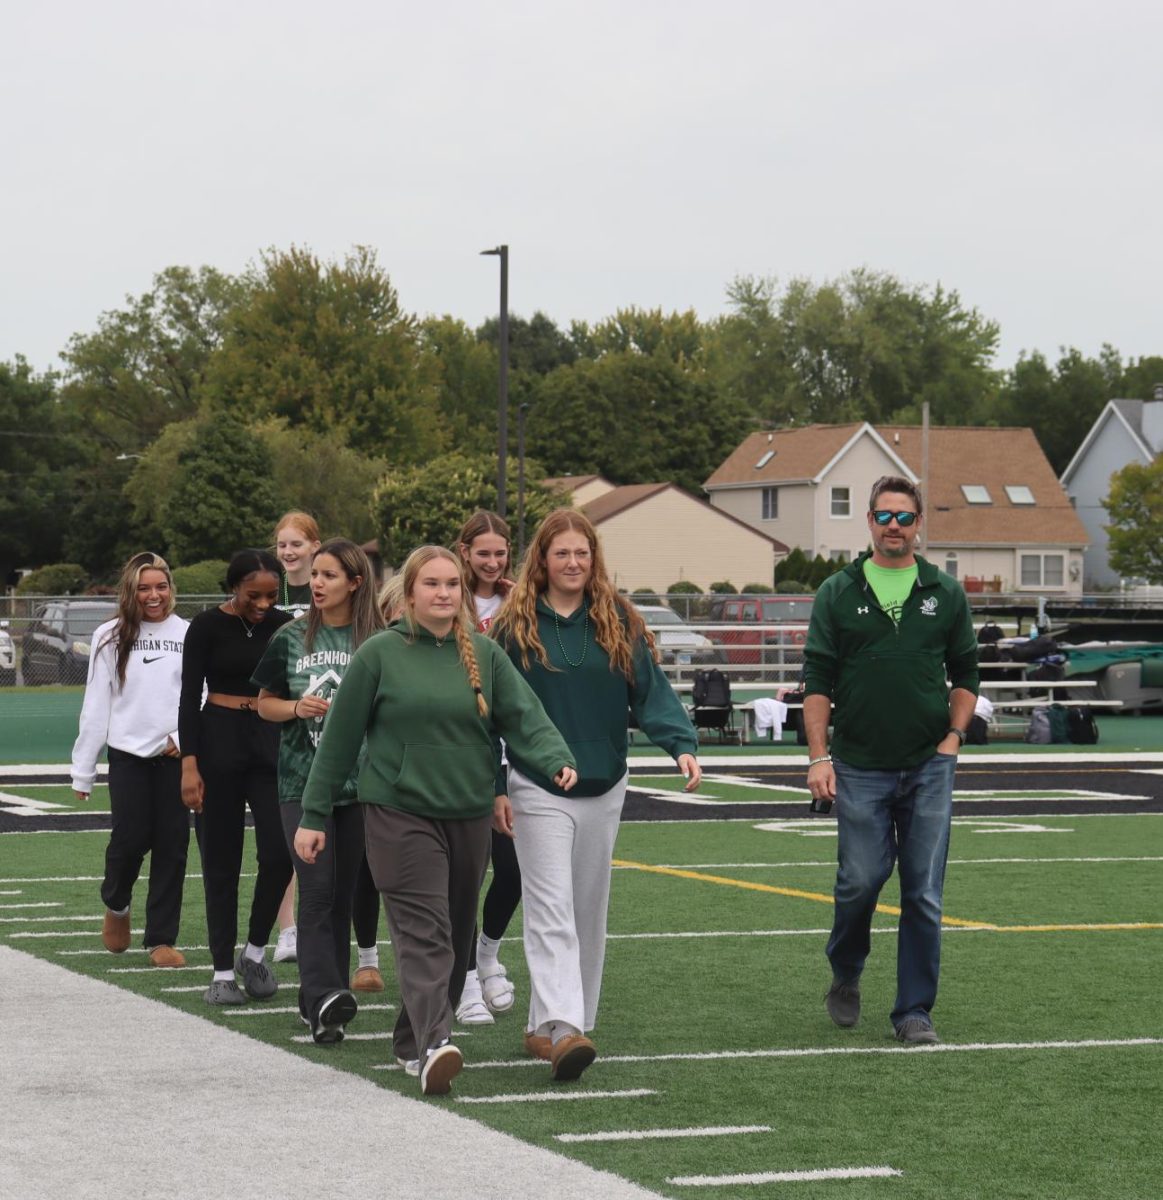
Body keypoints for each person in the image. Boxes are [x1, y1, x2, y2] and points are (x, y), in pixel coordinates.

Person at [295, 546, 577, 1096]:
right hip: (398, 815)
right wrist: (313, 814)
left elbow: (524, 716)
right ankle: (433, 1045)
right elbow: (340, 742)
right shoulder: (378, 654)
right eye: (432, 584)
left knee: (454, 934)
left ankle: (410, 1038)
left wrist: (555, 757)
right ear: (409, 592)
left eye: (452, 584)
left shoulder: (486, 656)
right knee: (425, 933)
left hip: (467, 815)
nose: (444, 593)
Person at [490, 509, 701, 1082]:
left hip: (605, 784)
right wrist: (494, 786)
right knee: (550, 905)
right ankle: (566, 1027)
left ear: (594, 558)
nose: (573, 563)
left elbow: (651, 693)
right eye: (562, 553)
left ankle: (547, 1025)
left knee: (586, 911)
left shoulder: (618, 620)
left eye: (582, 553)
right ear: (543, 560)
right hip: (537, 787)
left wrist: (679, 743)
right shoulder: (512, 628)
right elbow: (489, 711)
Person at [803, 475, 979, 1045]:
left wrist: (954, 736)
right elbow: (817, 681)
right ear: (870, 522)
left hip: (930, 763)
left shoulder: (944, 592)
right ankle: (846, 969)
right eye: (884, 516)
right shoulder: (837, 589)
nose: (894, 526)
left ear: (919, 522)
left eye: (904, 516)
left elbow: (967, 675)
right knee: (859, 881)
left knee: (923, 892)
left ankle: (913, 1012)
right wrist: (818, 757)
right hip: (857, 763)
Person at [253, 539, 384, 1043]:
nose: (319, 583)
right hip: (298, 784)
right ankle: (326, 993)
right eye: (317, 575)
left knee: (342, 896)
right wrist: (295, 709)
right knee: (317, 888)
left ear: (355, 582)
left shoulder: (377, 639)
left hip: (360, 787)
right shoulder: (289, 637)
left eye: (330, 575)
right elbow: (263, 704)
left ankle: (319, 1007)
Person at [179, 550, 294, 1005]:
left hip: (272, 746)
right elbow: (189, 697)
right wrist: (189, 764)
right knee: (221, 864)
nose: (264, 604)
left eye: (271, 594)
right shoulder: (205, 626)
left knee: (281, 853)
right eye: (253, 595)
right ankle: (223, 972)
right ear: (233, 588)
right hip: (217, 743)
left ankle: (254, 951)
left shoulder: (286, 627)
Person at [71, 553, 190, 967]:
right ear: (130, 591)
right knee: (129, 841)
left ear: (170, 588)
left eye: (160, 586)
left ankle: (160, 938)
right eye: (144, 588)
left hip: (175, 758)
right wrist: (83, 769)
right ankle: (117, 905)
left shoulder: (189, 633)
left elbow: (204, 693)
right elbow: (96, 703)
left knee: (173, 846)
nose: (153, 595)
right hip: (128, 757)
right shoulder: (109, 635)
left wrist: (183, 736)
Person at [455, 511, 520, 1025]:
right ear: (465, 551)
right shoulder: (445, 596)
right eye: (484, 553)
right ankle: (465, 979)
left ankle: (487, 954)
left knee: (514, 871)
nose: (493, 562)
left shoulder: (520, 601)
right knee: (466, 874)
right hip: (462, 748)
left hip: (511, 751)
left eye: (500, 553)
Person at [271, 511, 323, 964]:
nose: (289, 552)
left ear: (314, 546)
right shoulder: (270, 587)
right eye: (283, 545)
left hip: (324, 715)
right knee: (284, 833)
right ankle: (287, 927)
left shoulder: (328, 585)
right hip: (282, 716)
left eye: (296, 545)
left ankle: (321, 925)